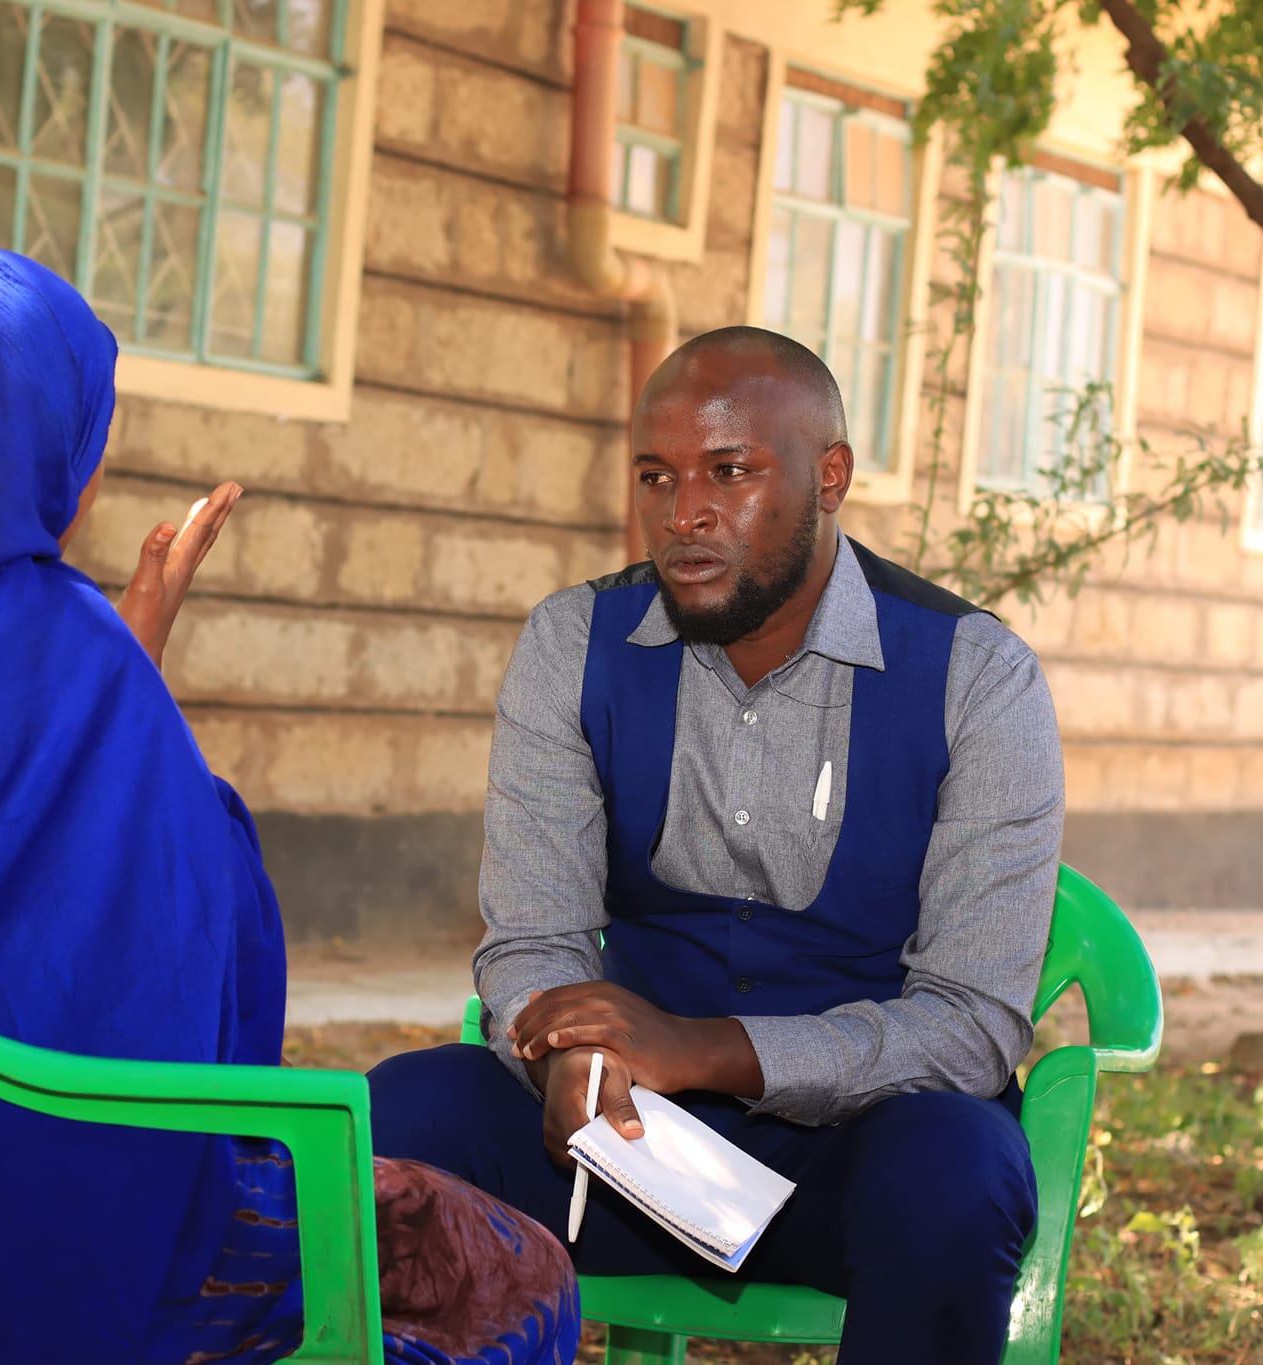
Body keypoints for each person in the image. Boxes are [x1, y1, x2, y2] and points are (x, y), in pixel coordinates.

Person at [0, 242, 579, 1365]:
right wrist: (121, 683)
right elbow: (189, 963)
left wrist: (117, 685)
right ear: (24, 443)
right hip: (13, 1251)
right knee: (504, 1266)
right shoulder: (62, 655)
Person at [367, 326, 1064, 1364]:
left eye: (728, 472)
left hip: (856, 1162)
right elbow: (532, 938)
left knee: (956, 1170)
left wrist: (701, 1050)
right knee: (403, 1115)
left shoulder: (975, 676)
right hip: (617, 1146)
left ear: (828, 478)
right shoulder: (573, 644)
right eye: (655, 476)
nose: (681, 513)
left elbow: (968, 1028)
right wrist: (567, 1048)